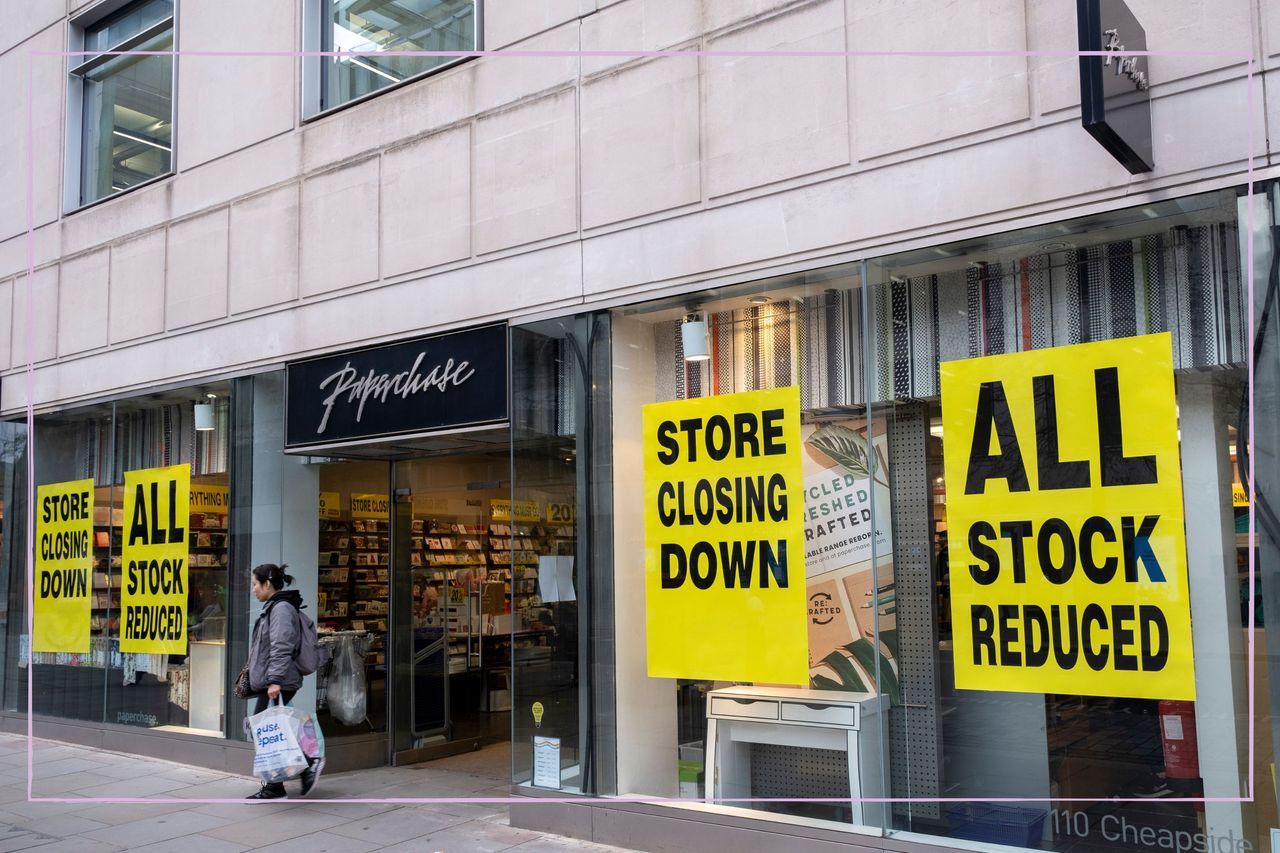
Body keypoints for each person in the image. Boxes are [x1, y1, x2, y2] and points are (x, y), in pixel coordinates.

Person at [245, 563, 321, 800]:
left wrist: (275, 680)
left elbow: (281, 645)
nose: (253, 589)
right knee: (274, 730)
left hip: (278, 680)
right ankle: (287, 777)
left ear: (267, 584)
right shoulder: (277, 607)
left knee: (265, 731)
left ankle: (302, 768)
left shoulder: (281, 609)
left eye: (255, 584)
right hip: (275, 679)